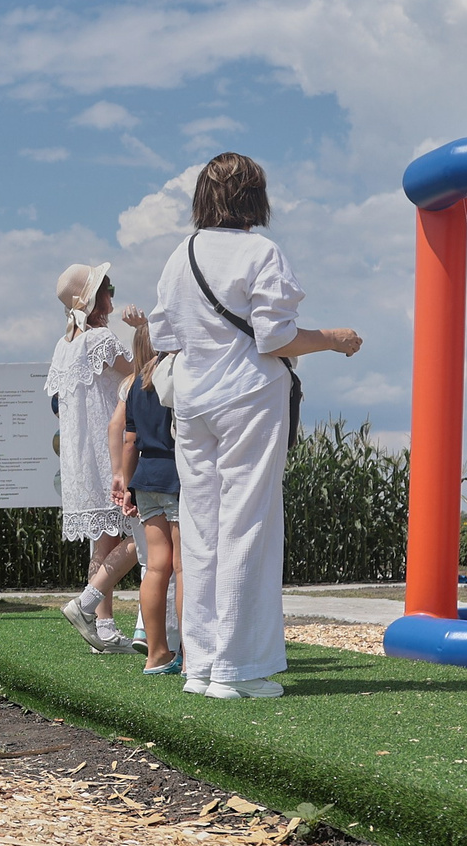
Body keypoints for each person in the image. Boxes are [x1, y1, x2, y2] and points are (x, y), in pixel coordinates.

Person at [149, 154, 361, 699]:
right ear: (254, 197)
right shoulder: (260, 251)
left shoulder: (180, 255)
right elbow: (276, 339)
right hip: (247, 399)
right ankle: (239, 669)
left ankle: (199, 666)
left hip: (192, 405)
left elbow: (165, 338)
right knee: (249, 525)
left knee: (199, 532)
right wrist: (332, 339)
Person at [47, 260, 141, 653]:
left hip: (80, 460)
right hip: (110, 453)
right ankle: (87, 603)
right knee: (142, 536)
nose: (112, 293)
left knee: (102, 542)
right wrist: (144, 333)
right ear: (96, 299)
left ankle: (102, 628)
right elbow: (140, 375)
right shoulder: (100, 341)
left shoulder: (63, 346)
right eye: (108, 287)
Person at [109, 314, 184, 673]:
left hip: (146, 479)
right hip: (176, 478)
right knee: (184, 571)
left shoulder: (135, 386)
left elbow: (129, 442)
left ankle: (156, 654)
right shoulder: (178, 378)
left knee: (156, 568)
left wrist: (128, 484)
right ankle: (192, 658)